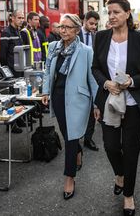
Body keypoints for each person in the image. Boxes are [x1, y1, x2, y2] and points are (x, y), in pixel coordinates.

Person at [92, 0, 140, 215]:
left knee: (131, 150)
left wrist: (132, 81)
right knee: (110, 146)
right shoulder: (100, 37)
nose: (111, 16)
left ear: (128, 13)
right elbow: (95, 69)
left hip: (133, 103)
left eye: (116, 12)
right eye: (108, 12)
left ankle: (128, 195)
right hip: (110, 101)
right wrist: (106, 83)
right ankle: (120, 174)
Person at [41, 13, 99, 200]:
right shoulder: (53, 47)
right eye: (61, 27)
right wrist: (45, 92)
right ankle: (78, 152)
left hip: (78, 99)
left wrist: (97, 104)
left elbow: (92, 79)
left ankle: (69, 177)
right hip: (58, 98)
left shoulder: (86, 51)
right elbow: (47, 70)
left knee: (72, 137)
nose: (63, 30)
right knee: (68, 135)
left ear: (76, 30)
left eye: (67, 27)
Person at [78, 10, 100, 151]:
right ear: (84, 21)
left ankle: (88, 138)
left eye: (96, 25)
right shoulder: (75, 33)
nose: (93, 27)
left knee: (93, 106)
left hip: (92, 76)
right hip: (78, 76)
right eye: (91, 24)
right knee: (79, 108)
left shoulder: (96, 36)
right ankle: (76, 135)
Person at [0, 9, 24, 76]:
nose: (21, 20)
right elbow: (2, 54)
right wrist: (6, 70)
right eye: (19, 18)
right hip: (11, 69)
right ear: (12, 18)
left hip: (19, 68)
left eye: (22, 18)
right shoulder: (6, 32)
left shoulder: (18, 32)